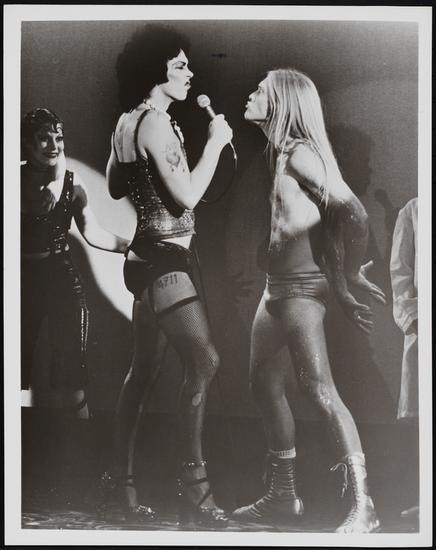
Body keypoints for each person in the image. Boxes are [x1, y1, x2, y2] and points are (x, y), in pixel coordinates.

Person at [232, 69, 386, 533]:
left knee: (320, 391)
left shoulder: (300, 153)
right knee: (263, 385)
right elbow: (316, 227)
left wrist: (348, 276)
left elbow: (352, 211)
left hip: (300, 290)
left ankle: (365, 507)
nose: (251, 94)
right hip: (275, 291)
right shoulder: (280, 153)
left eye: (260, 90)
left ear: (282, 102)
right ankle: (283, 496)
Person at [104, 25, 232, 526]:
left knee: (142, 373)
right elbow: (188, 197)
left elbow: (116, 186)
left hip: (144, 258)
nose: (190, 73)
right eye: (179, 65)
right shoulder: (156, 122)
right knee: (205, 359)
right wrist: (216, 144)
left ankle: (120, 487)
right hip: (165, 259)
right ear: (154, 70)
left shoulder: (127, 121)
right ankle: (194, 489)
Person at [21, 108, 130, 494]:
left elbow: (93, 233)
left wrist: (134, 246)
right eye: (43, 137)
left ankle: (86, 468)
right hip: (20, 280)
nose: (53, 145)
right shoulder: (13, 177)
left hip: (61, 277)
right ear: (26, 143)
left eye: (58, 137)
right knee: (15, 368)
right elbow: (33, 208)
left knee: (73, 373)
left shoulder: (71, 181)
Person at [390, 197, 419, 523]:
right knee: (422, 418)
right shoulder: (413, 210)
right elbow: (400, 272)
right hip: (423, 326)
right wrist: (412, 317)